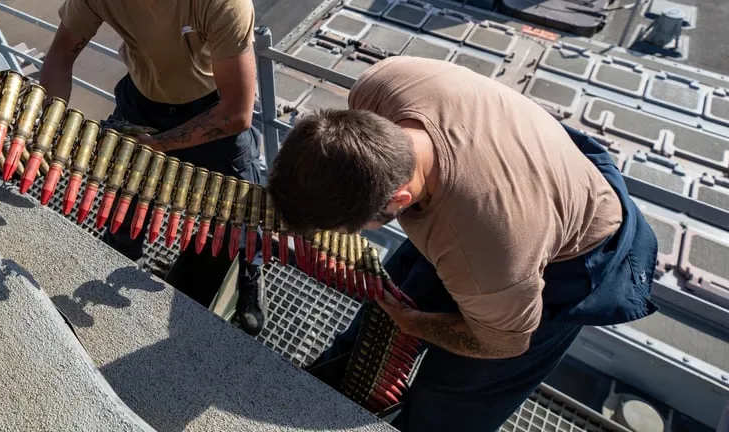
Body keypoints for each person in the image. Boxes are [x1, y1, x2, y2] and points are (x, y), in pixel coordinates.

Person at [267, 55, 658, 432]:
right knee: (380, 317)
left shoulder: (488, 249)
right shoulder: (381, 86)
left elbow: (502, 343)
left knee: (451, 402)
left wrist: (414, 323)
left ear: (400, 200)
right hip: (506, 186)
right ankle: (330, 387)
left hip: (570, 257)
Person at [37, 0, 268, 335]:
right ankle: (109, 289)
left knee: (226, 225)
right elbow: (60, 57)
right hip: (140, 106)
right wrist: (51, 127)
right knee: (120, 218)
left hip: (211, 115)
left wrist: (158, 148)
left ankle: (249, 271)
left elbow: (238, 113)